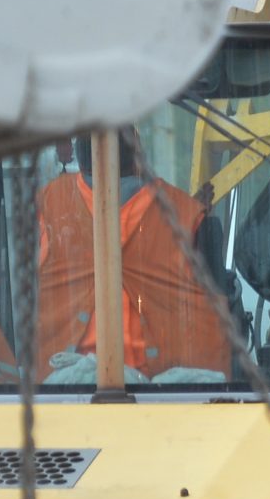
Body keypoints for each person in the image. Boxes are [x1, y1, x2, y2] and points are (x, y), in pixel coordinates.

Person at [34, 128, 232, 379]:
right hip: (175, 402)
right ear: (138, 151)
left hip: (58, 399)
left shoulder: (47, 206)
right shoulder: (189, 216)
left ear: (81, 154)